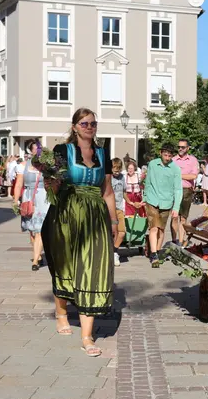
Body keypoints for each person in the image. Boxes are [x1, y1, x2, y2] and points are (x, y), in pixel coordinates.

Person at [41, 107, 116, 357]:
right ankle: (61, 312)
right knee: (65, 266)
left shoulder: (103, 153)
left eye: (93, 123)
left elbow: (107, 191)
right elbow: (53, 187)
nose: (89, 127)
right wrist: (51, 181)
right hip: (66, 214)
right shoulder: (63, 151)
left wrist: (115, 222)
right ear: (74, 127)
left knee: (93, 269)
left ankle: (87, 336)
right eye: (84, 123)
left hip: (95, 217)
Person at [144, 144, 182, 268]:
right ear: (160, 153)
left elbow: (178, 189)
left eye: (169, 156)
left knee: (161, 229)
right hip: (152, 200)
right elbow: (148, 182)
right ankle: (154, 254)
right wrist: (145, 197)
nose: (167, 158)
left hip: (166, 202)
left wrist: (176, 207)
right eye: (165, 155)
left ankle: (157, 251)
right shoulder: (152, 164)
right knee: (154, 227)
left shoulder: (175, 169)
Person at [13, 148, 50, 271]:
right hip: (28, 198)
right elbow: (19, 184)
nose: (37, 153)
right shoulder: (23, 166)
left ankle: (35, 260)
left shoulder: (46, 166)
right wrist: (15, 201)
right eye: (34, 150)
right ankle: (37, 254)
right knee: (31, 229)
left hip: (43, 198)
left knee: (39, 229)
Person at [171, 139, 198, 246]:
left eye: (183, 147)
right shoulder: (173, 160)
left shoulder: (193, 160)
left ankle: (181, 242)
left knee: (183, 217)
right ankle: (174, 241)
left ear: (188, 148)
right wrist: (184, 176)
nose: (180, 149)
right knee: (174, 216)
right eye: (179, 147)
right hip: (174, 190)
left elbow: (193, 176)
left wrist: (178, 175)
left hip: (187, 190)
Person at [110, 158, 127, 267]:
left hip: (119, 208)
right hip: (109, 209)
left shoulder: (122, 177)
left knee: (121, 232)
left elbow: (124, 192)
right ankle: (108, 253)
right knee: (112, 232)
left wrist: (131, 202)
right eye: (114, 169)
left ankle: (114, 252)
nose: (116, 171)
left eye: (118, 169)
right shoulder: (108, 178)